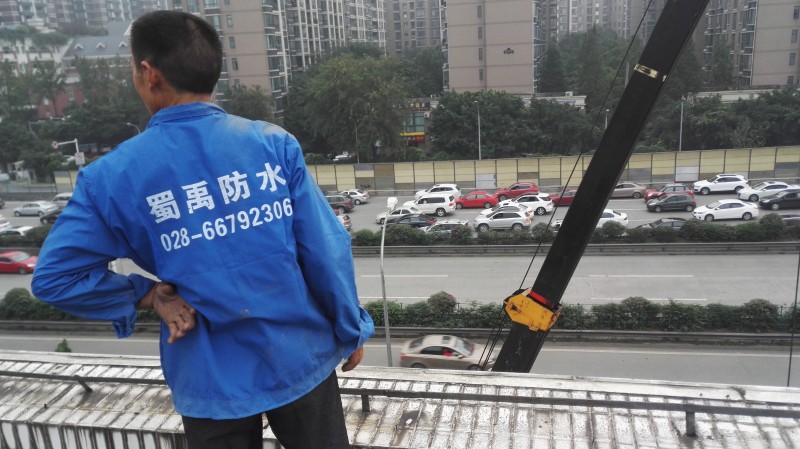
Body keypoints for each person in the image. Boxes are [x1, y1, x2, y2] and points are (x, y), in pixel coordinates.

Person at [32, 10, 374, 449]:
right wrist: (350, 328)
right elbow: (325, 248)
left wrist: (148, 294)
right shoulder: (272, 145)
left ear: (149, 73)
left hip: (210, 379)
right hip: (299, 355)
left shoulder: (109, 178)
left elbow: (55, 278)